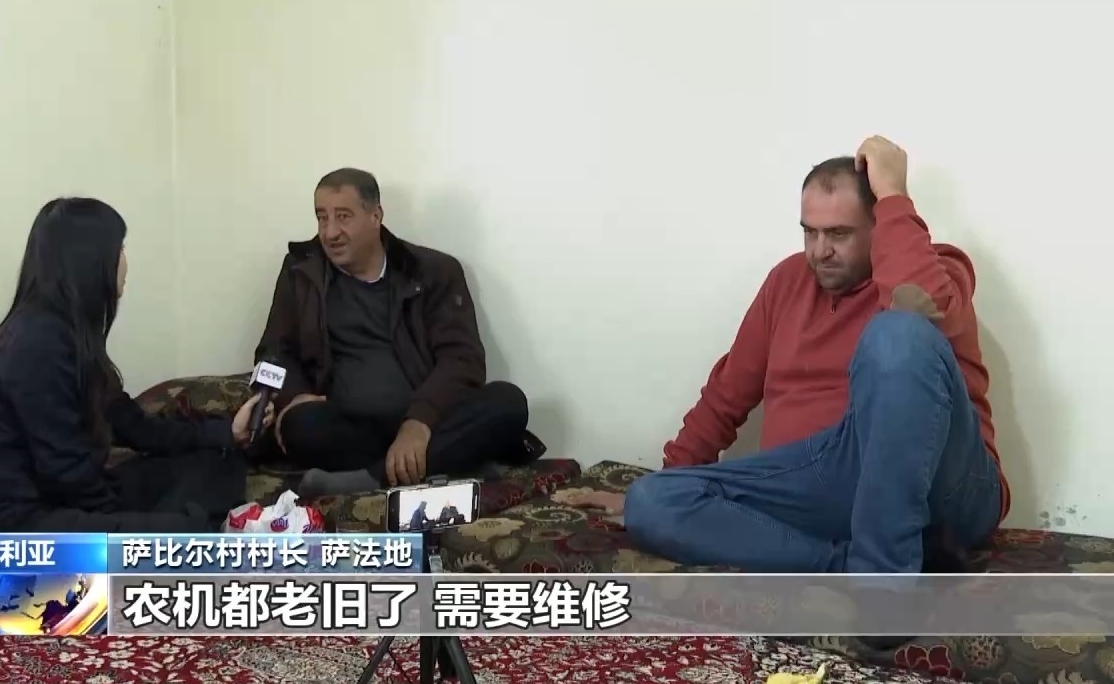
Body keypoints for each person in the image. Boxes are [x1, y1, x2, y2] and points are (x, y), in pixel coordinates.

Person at [576, 136, 1008, 574]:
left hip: (947, 484)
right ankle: (846, 564)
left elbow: (921, 307)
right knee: (651, 500)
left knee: (898, 334)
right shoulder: (786, 281)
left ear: (879, 226)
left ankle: (883, 584)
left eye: (839, 234)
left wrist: (893, 194)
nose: (820, 251)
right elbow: (726, 397)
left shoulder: (938, 270)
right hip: (822, 482)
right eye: (809, 232)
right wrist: (670, 478)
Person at [0, 197, 272, 533]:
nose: (125, 261)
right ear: (91, 260)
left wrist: (226, 432)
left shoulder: (69, 333)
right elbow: (66, 474)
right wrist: (139, 528)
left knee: (219, 459)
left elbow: (135, 426)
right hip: (34, 521)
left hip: (74, 500)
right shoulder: (36, 343)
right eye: (120, 248)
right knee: (184, 528)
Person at [256, 168, 541, 497]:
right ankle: (447, 462)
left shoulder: (433, 271)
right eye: (322, 218)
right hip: (350, 426)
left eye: (343, 217)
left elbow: (463, 359)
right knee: (300, 426)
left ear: (375, 216)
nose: (330, 232)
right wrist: (293, 397)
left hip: (429, 420)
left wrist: (418, 423)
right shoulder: (301, 270)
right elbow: (273, 353)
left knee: (508, 403)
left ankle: (372, 477)